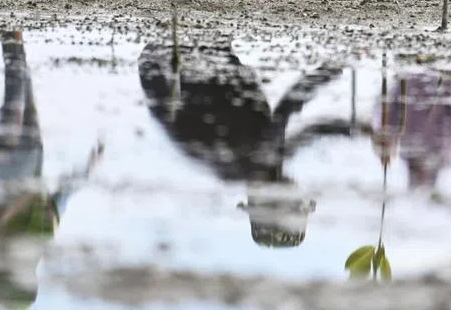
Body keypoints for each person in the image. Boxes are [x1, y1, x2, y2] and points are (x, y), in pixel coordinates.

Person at [137, 38, 366, 247]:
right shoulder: (231, 168)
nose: (302, 193)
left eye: (300, 202)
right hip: (164, 55)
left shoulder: (259, 159)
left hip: (186, 49)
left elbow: (298, 104)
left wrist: (341, 64)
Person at [0, 30, 103, 307]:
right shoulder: (39, 236)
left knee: (16, 92)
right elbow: (63, 196)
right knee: (23, 87)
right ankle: (13, 37)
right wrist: (89, 166)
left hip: (4, 154)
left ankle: (11, 37)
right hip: (33, 150)